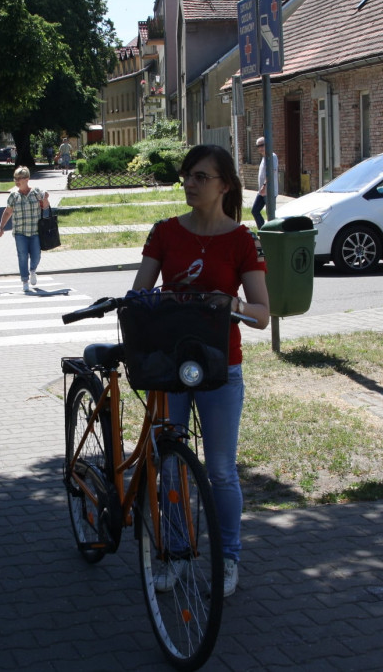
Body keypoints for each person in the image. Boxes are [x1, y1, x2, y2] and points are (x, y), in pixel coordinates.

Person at [131, 144, 270, 598]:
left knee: (222, 472)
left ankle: (228, 559)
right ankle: (174, 553)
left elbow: (262, 314)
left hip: (219, 368)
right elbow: (139, 295)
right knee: (170, 467)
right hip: (170, 366)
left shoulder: (242, 239)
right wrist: (153, 303)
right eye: (187, 175)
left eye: (201, 176)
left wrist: (232, 304)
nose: (190, 183)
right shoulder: (165, 233)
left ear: (224, 184)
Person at [0, 165, 50, 292]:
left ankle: (32, 270)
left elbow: (45, 207)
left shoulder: (36, 192)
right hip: (20, 232)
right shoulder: (14, 196)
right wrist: (1, 227)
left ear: (27, 178)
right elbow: (8, 212)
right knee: (22, 256)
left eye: (19, 178)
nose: (17, 181)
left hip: (35, 232)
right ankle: (24, 281)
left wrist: (45, 198)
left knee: (36, 256)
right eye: (15, 178)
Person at [251, 136, 279, 229]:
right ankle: (263, 230)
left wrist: (264, 185)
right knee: (255, 210)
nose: (260, 148)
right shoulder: (263, 158)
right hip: (262, 192)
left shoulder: (272, 156)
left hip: (269, 191)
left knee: (270, 215)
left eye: (262, 145)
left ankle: (271, 233)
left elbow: (272, 172)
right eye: (258, 146)